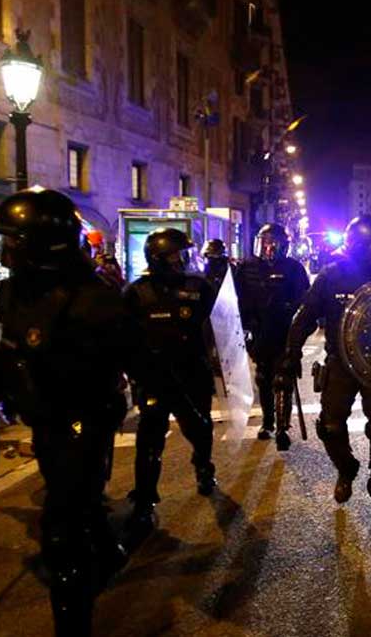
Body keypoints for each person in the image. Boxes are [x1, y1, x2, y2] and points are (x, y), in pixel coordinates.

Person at [0, 187, 131, 635]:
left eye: (13, 241)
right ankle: (107, 548)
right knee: (76, 500)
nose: (5, 251)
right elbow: (10, 351)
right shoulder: (13, 292)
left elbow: (134, 357)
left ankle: (73, 616)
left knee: (62, 526)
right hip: (45, 419)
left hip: (84, 420)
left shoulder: (97, 299)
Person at [276, 215, 371, 526]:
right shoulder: (331, 277)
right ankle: (346, 468)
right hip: (341, 362)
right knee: (330, 426)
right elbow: (304, 316)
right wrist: (290, 355)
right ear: (358, 246)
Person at [122, 228, 218, 539]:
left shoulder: (199, 287)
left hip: (192, 374)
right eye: (179, 255)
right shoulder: (137, 293)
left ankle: (203, 466)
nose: (184, 261)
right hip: (155, 377)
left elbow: (221, 323)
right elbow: (121, 337)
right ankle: (144, 501)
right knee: (149, 441)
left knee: (201, 429)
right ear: (161, 258)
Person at [236, 224, 310, 447]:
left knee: (283, 378)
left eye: (273, 244)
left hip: (284, 331)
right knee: (263, 378)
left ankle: (281, 426)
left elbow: (305, 302)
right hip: (259, 333)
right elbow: (237, 301)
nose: (268, 249)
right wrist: (243, 328)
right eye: (265, 243)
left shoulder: (294, 269)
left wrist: (299, 327)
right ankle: (267, 422)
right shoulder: (246, 268)